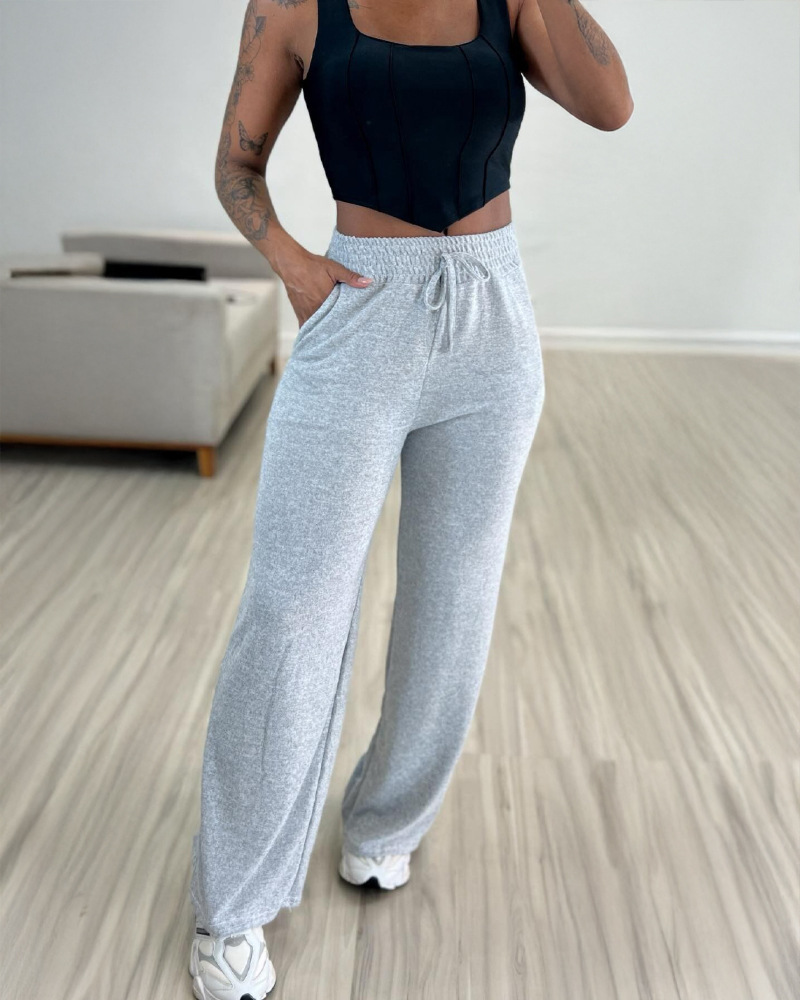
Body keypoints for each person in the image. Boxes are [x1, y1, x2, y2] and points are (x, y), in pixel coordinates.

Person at [187, 0, 633, 996]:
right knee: (292, 611)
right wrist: (293, 264)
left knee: (452, 604)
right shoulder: (290, 7)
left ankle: (385, 821)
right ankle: (230, 907)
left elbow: (611, 105)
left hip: (492, 321)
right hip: (361, 310)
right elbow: (235, 167)